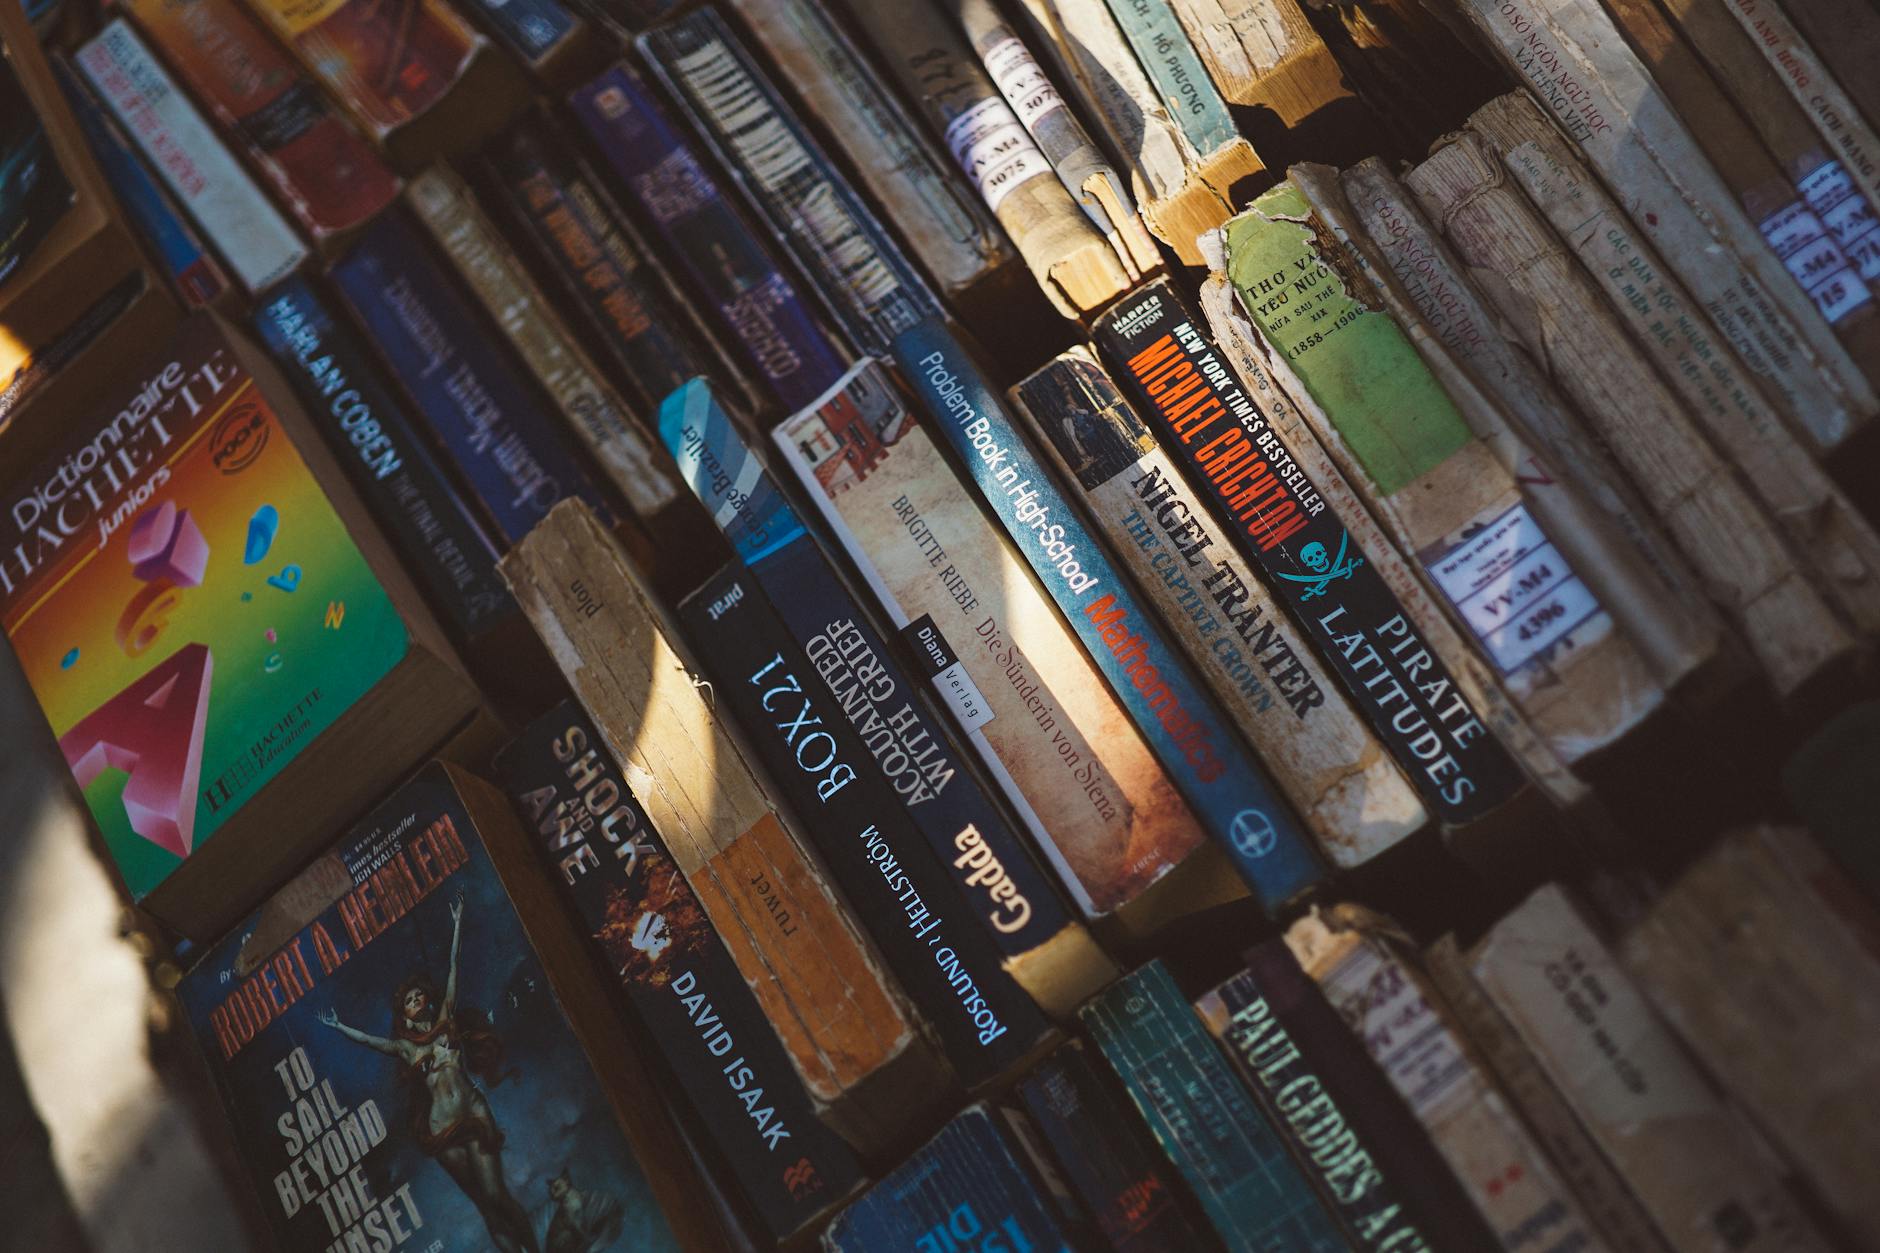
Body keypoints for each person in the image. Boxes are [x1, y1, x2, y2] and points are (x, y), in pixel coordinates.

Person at [318, 894, 540, 1253]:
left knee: (497, 1195)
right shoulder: (406, 1047)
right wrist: (339, 1026)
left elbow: (453, 968)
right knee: (485, 1206)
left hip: (472, 1113)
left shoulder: (446, 1020)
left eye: (418, 996)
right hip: (441, 1130)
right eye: (408, 1001)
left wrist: (457, 924)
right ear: (404, 1016)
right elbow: (370, 1041)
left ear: (428, 1000)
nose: (415, 1001)